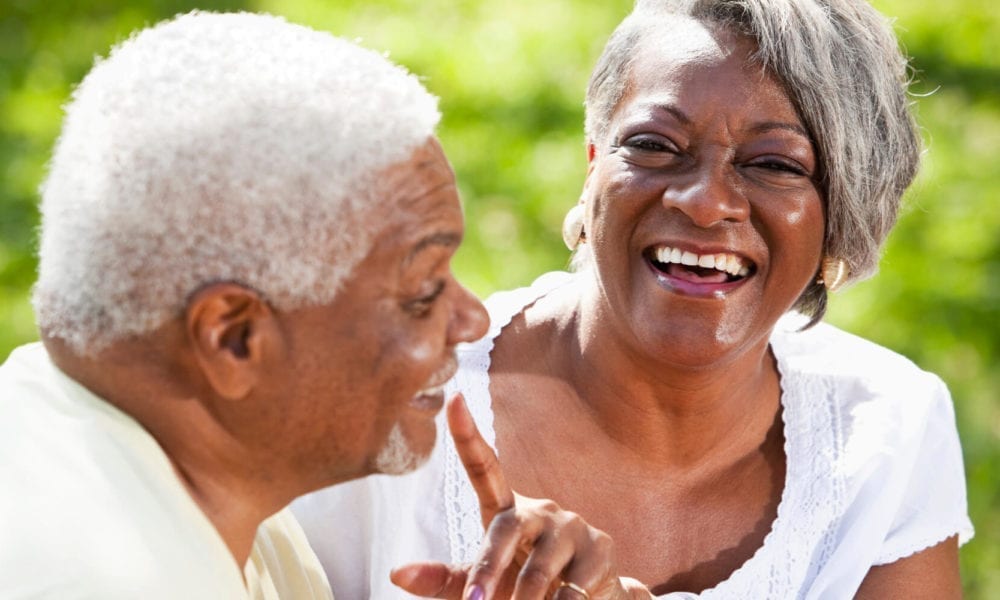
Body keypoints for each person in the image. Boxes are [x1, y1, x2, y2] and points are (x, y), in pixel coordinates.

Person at [293, 0, 975, 598]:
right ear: (593, 167)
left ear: (842, 214)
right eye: (655, 145)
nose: (704, 202)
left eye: (773, 164)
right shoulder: (388, 408)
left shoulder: (885, 431)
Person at [0, 12, 650, 600]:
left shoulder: (110, 445)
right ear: (233, 339)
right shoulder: (93, 576)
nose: (472, 319)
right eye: (423, 293)